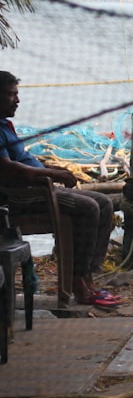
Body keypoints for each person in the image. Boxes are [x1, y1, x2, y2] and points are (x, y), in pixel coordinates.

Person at [0, 71, 121, 307]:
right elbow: (11, 169)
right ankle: (77, 280)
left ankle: (88, 274)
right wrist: (55, 174)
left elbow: (23, 161)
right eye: (10, 95)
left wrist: (50, 167)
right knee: (88, 207)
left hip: (40, 189)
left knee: (105, 203)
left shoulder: (5, 125)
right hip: (24, 197)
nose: (17, 100)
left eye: (17, 94)